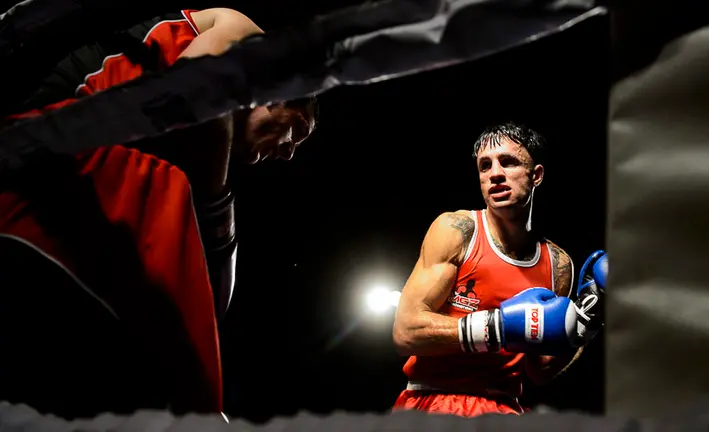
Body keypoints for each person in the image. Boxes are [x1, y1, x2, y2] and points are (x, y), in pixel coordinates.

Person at [0, 8, 317, 418]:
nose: (290, 150)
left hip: (57, 178)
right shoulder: (250, 36)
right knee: (188, 376)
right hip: (60, 146)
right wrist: (216, 214)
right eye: (299, 129)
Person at [391, 121, 606, 417]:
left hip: (504, 409)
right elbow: (406, 331)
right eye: (484, 166)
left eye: (508, 162)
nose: (495, 174)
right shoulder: (457, 231)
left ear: (537, 175)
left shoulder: (557, 264)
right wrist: (497, 327)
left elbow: (540, 370)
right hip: (434, 401)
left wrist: (584, 325)